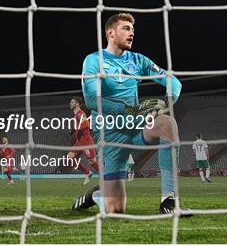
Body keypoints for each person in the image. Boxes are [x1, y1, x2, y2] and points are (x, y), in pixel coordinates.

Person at [72, 13, 190, 215]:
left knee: (167, 123)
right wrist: (126, 109)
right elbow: (92, 100)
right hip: (109, 134)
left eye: (133, 29)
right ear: (111, 33)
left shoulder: (138, 60)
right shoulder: (93, 61)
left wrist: (166, 103)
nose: (131, 33)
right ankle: (96, 195)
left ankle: (169, 200)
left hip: (136, 126)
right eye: (126, 28)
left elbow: (174, 82)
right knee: (116, 209)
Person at [67, 96, 100, 185]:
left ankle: (106, 177)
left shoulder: (80, 113)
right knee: (69, 158)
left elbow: (86, 125)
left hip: (86, 142)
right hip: (80, 142)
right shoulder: (76, 114)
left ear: (77, 104)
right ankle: (87, 173)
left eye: (72, 102)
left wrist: (75, 129)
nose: (70, 104)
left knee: (92, 162)